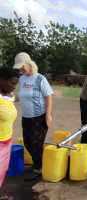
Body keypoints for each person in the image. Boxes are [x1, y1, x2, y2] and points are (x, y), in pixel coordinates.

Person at [13, 52, 53, 180]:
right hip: (26, 117)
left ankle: (38, 168)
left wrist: (48, 115)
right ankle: (38, 163)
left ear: (29, 63)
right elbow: (21, 95)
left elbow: (49, 97)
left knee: (36, 143)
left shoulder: (40, 79)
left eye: (22, 66)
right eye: (19, 67)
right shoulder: (22, 79)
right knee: (28, 142)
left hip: (39, 117)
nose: (20, 69)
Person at [0, 68, 19, 198]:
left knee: (2, 172)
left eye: (15, 84)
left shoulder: (8, 97)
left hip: (7, 142)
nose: (14, 87)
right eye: (12, 83)